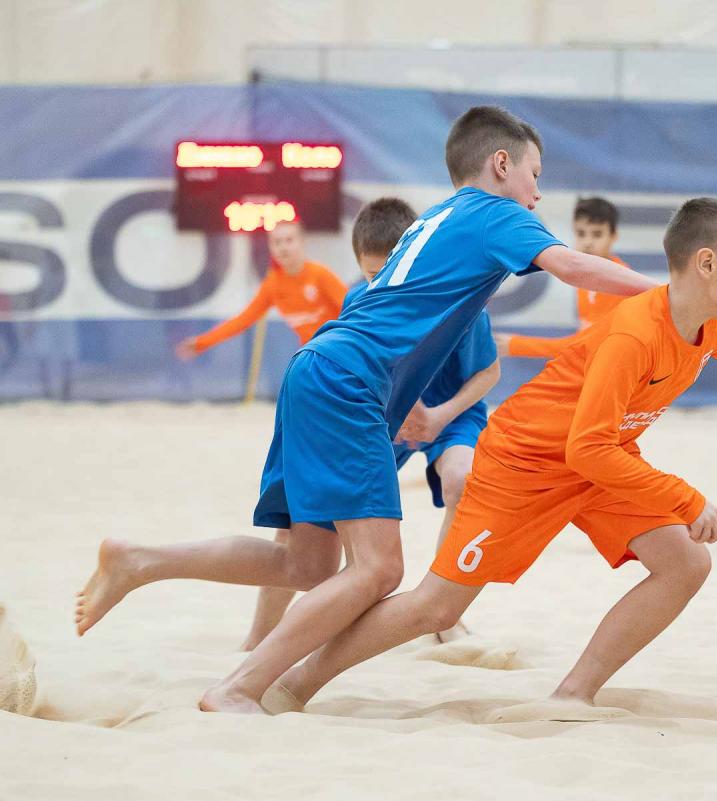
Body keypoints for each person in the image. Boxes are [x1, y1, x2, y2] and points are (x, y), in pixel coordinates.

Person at [75, 105, 659, 715]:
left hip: (320, 370)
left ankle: (140, 560)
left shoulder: (434, 219)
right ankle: (239, 687)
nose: (537, 194)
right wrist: (670, 294)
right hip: (349, 381)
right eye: (535, 175)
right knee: (379, 570)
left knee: (305, 563)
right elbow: (573, 266)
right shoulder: (496, 212)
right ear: (501, 164)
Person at [266, 198, 717, 719]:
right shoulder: (634, 336)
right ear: (707, 264)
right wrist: (687, 499)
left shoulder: (709, 326)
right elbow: (587, 447)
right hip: (524, 465)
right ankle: (296, 681)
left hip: (599, 462)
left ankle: (573, 694)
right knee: (437, 608)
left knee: (686, 563)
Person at [240, 197, 498, 650]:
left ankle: (444, 612)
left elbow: (489, 373)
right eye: (371, 274)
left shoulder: (460, 300)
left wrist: (438, 416)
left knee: (462, 479)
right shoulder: (359, 298)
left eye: (388, 272)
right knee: (305, 519)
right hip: (387, 413)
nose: (381, 284)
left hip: (449, 412)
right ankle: (258, 636)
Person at [175, 220, 345, 359]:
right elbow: (243, 320)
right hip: (313, 355)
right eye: (277, 242)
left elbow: (354, 309)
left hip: (341, 350)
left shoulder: (320, 275)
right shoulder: (273, 284)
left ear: (302, 242)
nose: (283, 247)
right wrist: (202, 343)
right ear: (270, 247)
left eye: (289, 240)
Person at [495, 196, 628, 358]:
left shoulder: (619, 284)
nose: (588, 242)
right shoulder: (586, 275)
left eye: (597, 234)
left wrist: (517, 345)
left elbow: (588, 345)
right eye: (581, 233)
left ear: (614, 236)